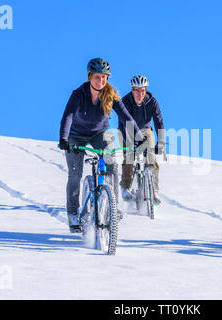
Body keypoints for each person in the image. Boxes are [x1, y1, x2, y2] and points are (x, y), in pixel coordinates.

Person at [59, 58, 145, 233]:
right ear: (90, 77)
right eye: (97, 77)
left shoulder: (111, 94)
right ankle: (73, 213)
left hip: (100, 134)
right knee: (75, 175)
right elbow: (68, 115)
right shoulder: (79, 94)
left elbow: (127, 117)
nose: (101, 81)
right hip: (76, 136)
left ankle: (113, 207)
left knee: (112, 166)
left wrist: (140, 136)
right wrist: (64, 139)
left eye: (104, 77)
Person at [118, 75, 165, 205]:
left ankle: (154, 190)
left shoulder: (152, 102)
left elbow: (159, 122)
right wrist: (130, 143)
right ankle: (126, 187)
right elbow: (122, 124)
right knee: (130, 156)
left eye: (143, 90)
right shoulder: (125, 101)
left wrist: (160, 142)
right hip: (127, 130)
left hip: (145, 130)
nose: (140, 94)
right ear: (132, 90)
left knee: (151, 157)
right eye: (137, 90)